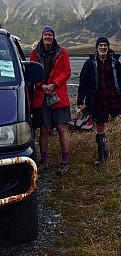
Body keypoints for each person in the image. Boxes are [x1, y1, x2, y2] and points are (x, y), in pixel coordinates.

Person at [77, 36, 121, 164]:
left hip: (114, 98)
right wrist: (80, 101)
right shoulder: (89, 63)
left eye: (105, 45)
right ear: (97, 47)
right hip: (97, 100)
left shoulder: (115, 62)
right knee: (100, 128)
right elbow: (83, 82)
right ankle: (102, 155)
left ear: (108, 47)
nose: (103, 47)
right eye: (100, 45)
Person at [30, 25, 71, 173]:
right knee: (44, 129)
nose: (48, 37)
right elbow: (32, 73)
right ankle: (43, 161)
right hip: (41, 96)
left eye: (50, 35)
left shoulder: (62, 52)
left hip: (58, 95)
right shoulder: (35, 53)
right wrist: (41, 86)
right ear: (42, 36)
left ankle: (65, 161)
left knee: (61, 127)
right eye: (45, 35)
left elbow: (67, 72)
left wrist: (54, 84)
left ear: (53, 37)